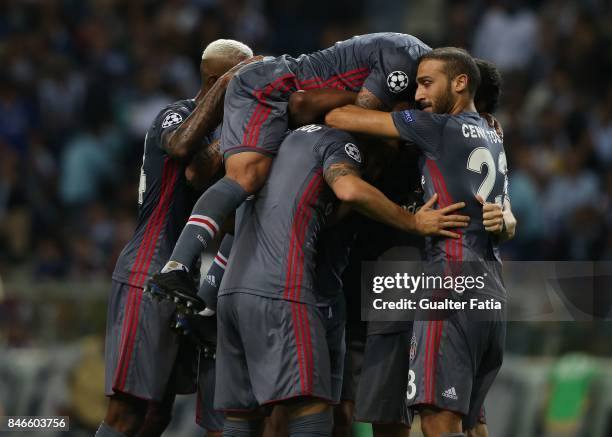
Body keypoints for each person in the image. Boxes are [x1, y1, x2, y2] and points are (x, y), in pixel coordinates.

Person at [214, 122, 469, 436]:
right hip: (293, 289)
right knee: (293, 408)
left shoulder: (286, 149)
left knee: (335, 412)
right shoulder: (333, 146)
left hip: (336, 288)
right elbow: (348, 187)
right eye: (377, 154)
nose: (379, 164)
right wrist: (413, 221)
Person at [148, 33, 434, 305]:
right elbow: (350, 115)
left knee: (254, 197)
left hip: (274, 91)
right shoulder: (403, 59)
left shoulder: (405, 64)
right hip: (269, 88)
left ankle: (207, 303)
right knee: (246, 177)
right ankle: (177, 266)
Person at [326, 47, 516, 437]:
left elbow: (339, 118)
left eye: (426, 83)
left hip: (442, 281)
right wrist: (505, 222)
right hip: (490, 287)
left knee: (436, 421)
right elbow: (506, 218)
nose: (417, 94)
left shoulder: (434, 128)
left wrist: (370, 98)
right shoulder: (494, 139)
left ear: (461, 84)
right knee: (471, 420)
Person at [95, 39, 253, 437]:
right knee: (127, 412)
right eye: (245, 79)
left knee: (156, 414)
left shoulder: (225, 130)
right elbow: (189, 158)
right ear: (219, 81)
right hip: (148, 271)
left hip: (189, 280)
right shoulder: (175, 115)